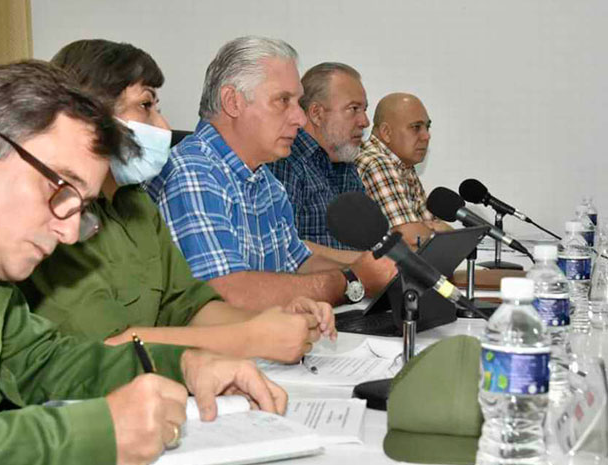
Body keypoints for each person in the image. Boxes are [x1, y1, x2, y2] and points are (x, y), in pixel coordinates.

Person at [0, 60, 286, 465]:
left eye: (80, 208)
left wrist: (186, 364)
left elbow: (43, 362)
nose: (66, 234)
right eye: (60, 188)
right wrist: (95, 436)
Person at [19, 39, 334, 364]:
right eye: (145, 106)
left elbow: (190, 305)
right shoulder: (57, 216)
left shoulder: (136, 204)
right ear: (87, 115)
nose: (165, 127)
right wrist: (249, 337)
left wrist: (271, 320)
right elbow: (107, 344)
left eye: (158, 107)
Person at [146, 37, 396, 312]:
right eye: (283, 101)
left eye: (297, 102)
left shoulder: (266, 182)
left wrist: (375, 269)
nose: (300, 119)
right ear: (233, 102)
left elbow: (300, 262)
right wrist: (351, 281)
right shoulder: (193, 173)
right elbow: (227, 294)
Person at [268, 62, 367, 250]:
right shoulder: (286, 160)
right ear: (316, 114)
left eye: (364, 109)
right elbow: (284, 249)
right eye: (354, 109)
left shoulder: (345, 163)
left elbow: (365, 237)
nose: (365, 121)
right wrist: (361, 263)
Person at [357, 93, 451, 248]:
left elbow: (427, 227)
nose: (426, 136)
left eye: (427, 127)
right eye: (416, 127)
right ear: (386, 132)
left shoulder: (404, 166)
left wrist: (431, 228)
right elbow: (410, 237)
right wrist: (436, 229)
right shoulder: (376, 162)